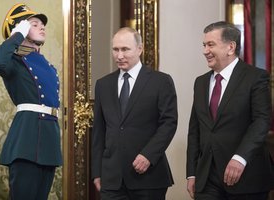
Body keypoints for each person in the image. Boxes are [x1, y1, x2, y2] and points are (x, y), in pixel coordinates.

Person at [186, 21, 274, 200]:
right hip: (207, 179)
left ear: (230, 47)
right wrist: (192, 173)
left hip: (246, 176)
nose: (205, 51)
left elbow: (261, 121)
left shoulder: (255, 78)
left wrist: (240, 158)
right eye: (204, 45)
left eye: (211, 45)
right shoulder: (200, 83)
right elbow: (195, 130)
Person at [91, 27, 178, 200]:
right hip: (112, 179)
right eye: (115, 49)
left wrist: (148, 155)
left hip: (148, 177)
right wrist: (97, 172)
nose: (119, 55)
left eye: (125, 49)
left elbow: (169, 123)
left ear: (140, 49)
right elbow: (99, 132)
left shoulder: (161, 81)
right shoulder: (103, 84)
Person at [0, 3, 62, 200]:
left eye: (42, 24)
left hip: (49, 141)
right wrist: (17, 36)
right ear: (19, 29)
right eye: (34, 23)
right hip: (27, 142)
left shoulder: (48, 66)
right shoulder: (14, 62)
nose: (42, 27)